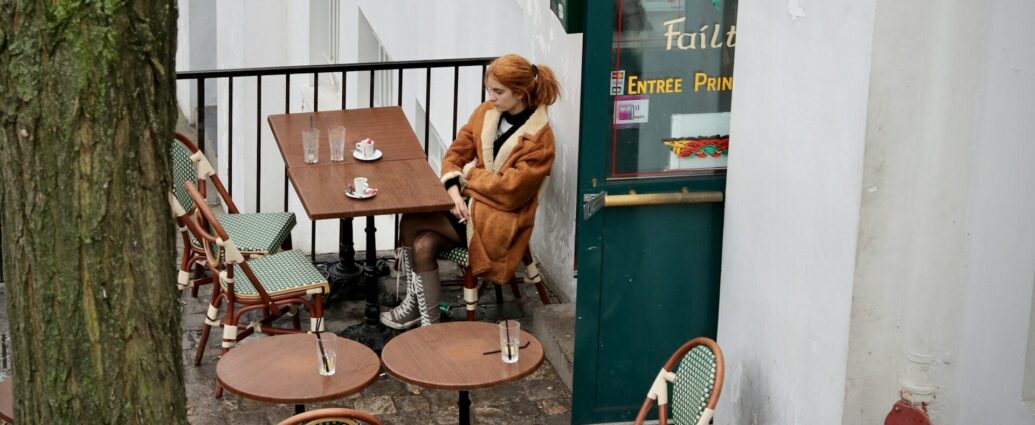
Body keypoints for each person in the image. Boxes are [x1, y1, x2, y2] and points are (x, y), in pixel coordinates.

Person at [380, 53, 561, 329]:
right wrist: (453, 190)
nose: (491, 97)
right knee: (423, 244)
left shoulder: (539, 139)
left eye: (498, 91)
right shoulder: (485, 113)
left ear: (520, 93)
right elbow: (454, 155)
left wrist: (468, 175)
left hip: (499, 222)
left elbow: (509, 191)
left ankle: (415, 309)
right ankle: (428, 322)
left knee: (413, 219)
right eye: (489, 89)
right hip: (469, 207)